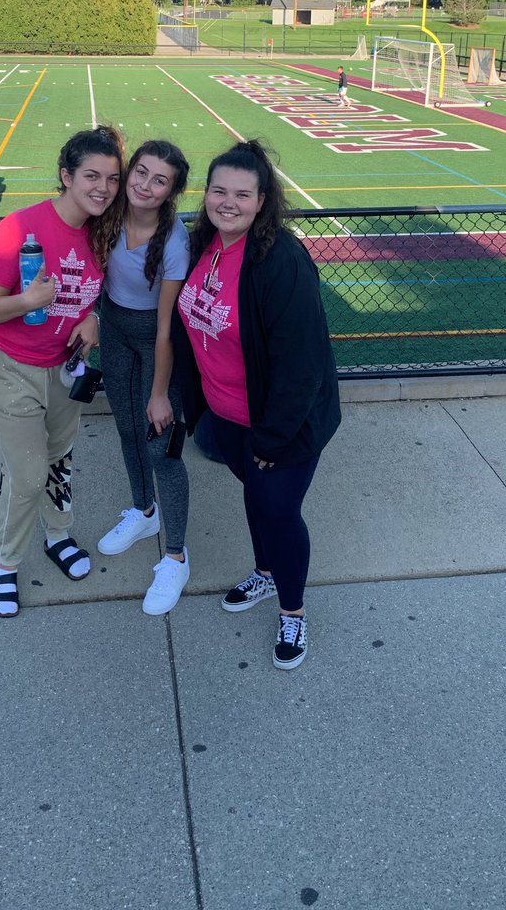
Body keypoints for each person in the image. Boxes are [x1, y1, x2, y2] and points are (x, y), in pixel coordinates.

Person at [174, 140, 341, 669]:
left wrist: (273, 437)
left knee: (278, 510)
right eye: (218, 190)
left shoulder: (280, 261)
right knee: (256, 500)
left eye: (242, 194)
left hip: (278, 425)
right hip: (226, 416)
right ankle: (265, 575)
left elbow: (302, 364)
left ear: (263, 199)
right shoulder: (203, 242)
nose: (229, 202)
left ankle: (293, 609)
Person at [0, 125, 123, 618]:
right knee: (29, 475)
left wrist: (94, 317)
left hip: (64, 366)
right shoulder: (19, 227)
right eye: (91, 176)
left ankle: (58, 535)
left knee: (58, 459)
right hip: (10, 366)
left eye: (112, 179)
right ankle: (6, 563)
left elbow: (98, 293)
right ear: (66, 176)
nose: (103, 187)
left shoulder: (105, 230)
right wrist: (27, 300)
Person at [95, 141, 191, 615]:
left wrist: (158, 392)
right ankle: (143, 511)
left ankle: (176, 555)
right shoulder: (109, 214)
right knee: (126, 427)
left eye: (160, 180)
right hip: (114, 330)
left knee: (161, 447)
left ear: (171, 192)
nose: (145, 185)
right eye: (141, 172)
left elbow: (167, 326)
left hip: (156, 338)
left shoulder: (173, 240)